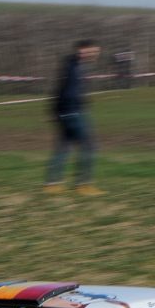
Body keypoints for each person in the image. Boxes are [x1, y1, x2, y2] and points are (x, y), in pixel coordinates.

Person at [45, 38, 101, 194]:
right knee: (89, 146)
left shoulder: (73, 65)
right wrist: (71, 109)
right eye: (93, 51)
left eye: (97, 51)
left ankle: (52, 184)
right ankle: (84, 185)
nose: (96, 54)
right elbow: (67, 91)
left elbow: (59, 88)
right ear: (83, 50)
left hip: (65, 112)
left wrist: (54, 112)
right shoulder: (73, 65)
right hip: (74, 112)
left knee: (63, 147)